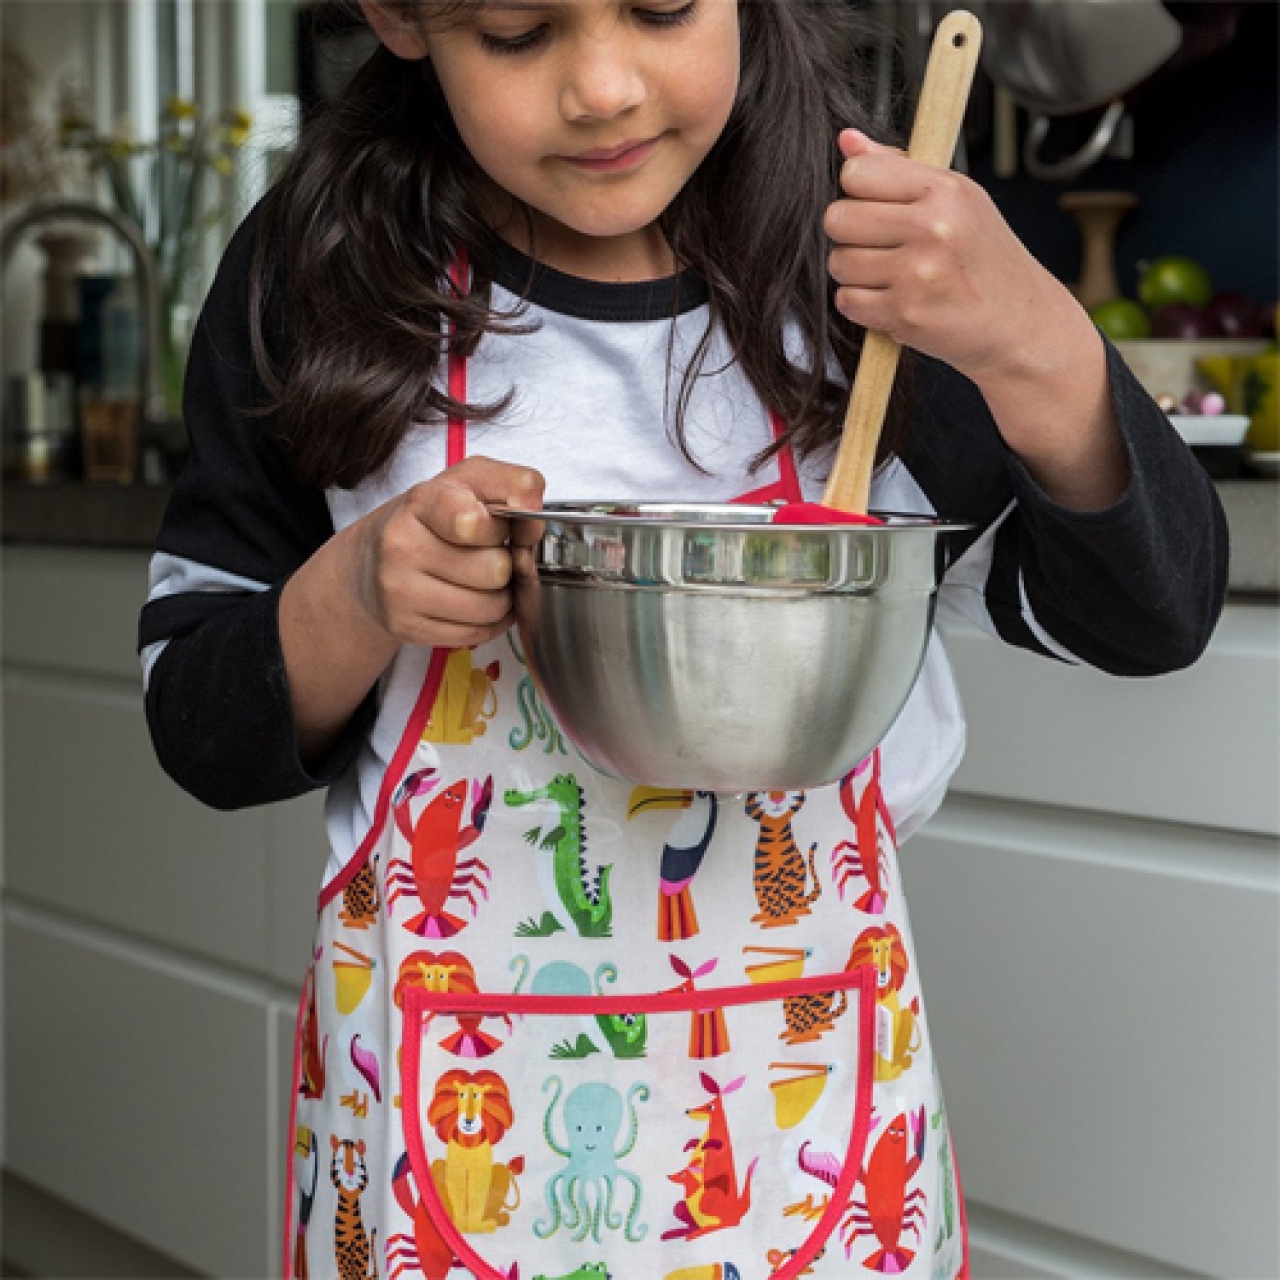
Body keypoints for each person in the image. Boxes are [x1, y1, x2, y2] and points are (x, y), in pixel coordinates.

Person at [141, 0, 1227, 1276]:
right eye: (514, 32)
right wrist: (355, 594)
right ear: (399, 16)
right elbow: (199, 720)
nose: (601, 87)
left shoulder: (863, 275)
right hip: (450, 1130)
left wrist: (1038, 346)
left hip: (804, 1121)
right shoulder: (320, 270)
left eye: (660, 9)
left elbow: (1148, 616)